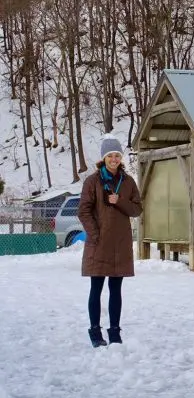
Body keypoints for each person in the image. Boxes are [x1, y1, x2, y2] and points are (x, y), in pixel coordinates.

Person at [78, 136, 143, 347]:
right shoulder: (92, 181)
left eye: (117, 155)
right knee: (96, 289)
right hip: (98, 243)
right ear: (103, 158)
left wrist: (120, 201)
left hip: (120, 244)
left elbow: (137, 209)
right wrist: (94, 235)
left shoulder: (128, 181)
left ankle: (114, 330)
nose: (114, 159)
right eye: (110, 156)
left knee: (116, 289)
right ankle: (95, 331)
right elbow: (83, 211)